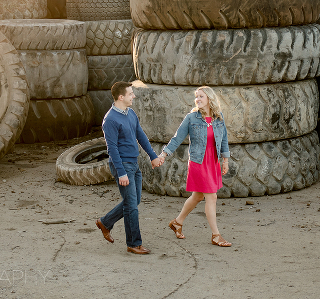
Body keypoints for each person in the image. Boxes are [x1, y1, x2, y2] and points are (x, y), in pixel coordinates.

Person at [158, 86, 232, 247]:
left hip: (212, 161)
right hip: (199, 162)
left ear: (209, 99)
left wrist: (225, 160)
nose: (197, 99)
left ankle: (177, 222)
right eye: (196, 96)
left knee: (198, 196)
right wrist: (164, 154)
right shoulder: (191, 118)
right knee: (211, 197)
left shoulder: (219, 117)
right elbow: (177, 138)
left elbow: (224, 139)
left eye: (201, 96)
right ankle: (216, 235)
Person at [96, 81, 163, 255]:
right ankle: (134, 243)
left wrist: (153, 156)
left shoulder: (130, 113)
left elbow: (140, 135)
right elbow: (112, 149)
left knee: (134, 201)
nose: (134, 96)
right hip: (123, 165)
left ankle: (105, 222)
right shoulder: (110, 120)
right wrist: (121, 173)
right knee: (132, 206)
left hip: (134, 163)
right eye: (131, 93)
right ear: (121, 97)